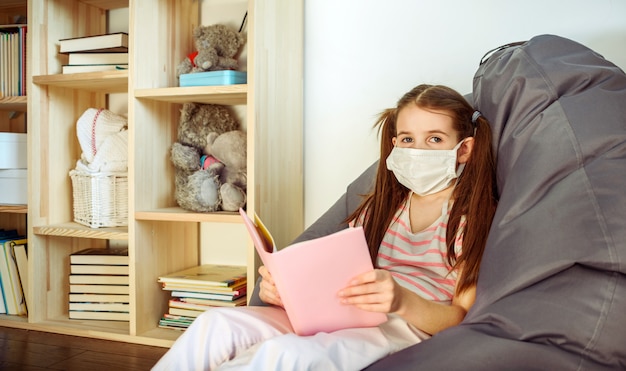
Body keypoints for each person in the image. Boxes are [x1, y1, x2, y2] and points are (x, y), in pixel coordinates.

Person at [152, 84, 498, 370]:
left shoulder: (471, 220)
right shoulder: (382, 207)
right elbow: (337, 274)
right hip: (346, 312)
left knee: (284, 355)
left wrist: (401, 301)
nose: (418, 149)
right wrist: (287, 289)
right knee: (216, 324)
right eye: (407, 139)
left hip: (403, 327)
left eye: (435, 139)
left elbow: (458, 318)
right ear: (393, 146)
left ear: (464, 149)